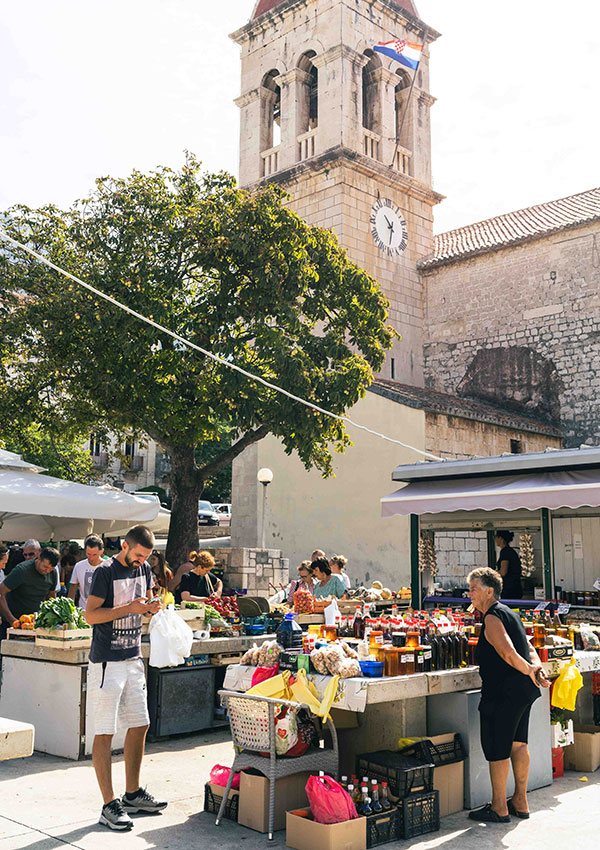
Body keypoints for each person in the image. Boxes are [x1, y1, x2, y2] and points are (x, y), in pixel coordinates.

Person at [86, 525, 167, 831]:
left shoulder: (144, 568)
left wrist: (149, 607)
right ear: (124, 545)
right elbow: (90, 615)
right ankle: (108, 805)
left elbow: (144, 602)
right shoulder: (105, 572)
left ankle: (132, 794)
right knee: (105, 731)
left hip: (133, 656)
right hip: (107, 660)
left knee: (141, 723)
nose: (141, 561)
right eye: (137, 555)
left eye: (145, 557)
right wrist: (129, 608)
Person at [467, 567, 549, 823]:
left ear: (489, 591)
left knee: (497, 748)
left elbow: (508, 653)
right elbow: (530, 647)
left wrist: (529, 669)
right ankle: (520, 801)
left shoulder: (492, 618)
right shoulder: (509, 613)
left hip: (502, 693)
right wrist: (535, 670)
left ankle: (499, 807)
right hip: (521, 691)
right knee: (518, 744)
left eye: (473, 589)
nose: (469, 594)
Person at [0, 547, 60, 636]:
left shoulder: (53, 573)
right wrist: (11, 620)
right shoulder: (22, 571)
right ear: (39, 558)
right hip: (11, 623)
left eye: (51, 569)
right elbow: (1, 593)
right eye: (45, 567)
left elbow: (51, 598)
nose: (47, 571)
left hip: (34, 625)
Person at [69, 535, 106, 611]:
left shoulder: (107, 567)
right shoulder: (79, 566)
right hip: (84, 612)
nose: (91, 558)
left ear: (101, 551)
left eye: (94, 554)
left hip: (103, 613)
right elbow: (72, 590)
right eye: (88, 554)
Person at [495, 531, 523, 599]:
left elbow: (503, 572)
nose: (495, 540)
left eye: (496, 537)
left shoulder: (505, 552)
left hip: (509, 589)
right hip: (515, 588)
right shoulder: (510, 551)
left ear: (501, 538)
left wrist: (492, 574)